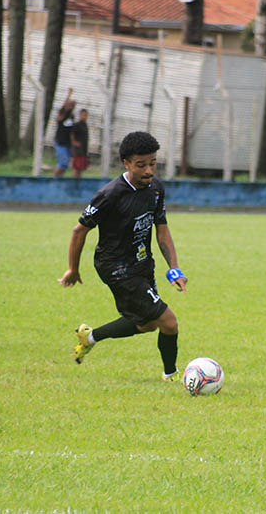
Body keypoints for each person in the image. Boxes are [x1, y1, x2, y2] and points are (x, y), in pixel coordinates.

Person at [58, 131, 188, 381]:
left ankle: (90, 336)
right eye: (141, 165)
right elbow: (79, 231)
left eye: (153, 163)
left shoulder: (156, 189)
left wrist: (174, 268)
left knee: (147, 324)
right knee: (169, 322)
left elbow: (161, 229)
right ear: (126, 163)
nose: (149, 170)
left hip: (142, 262)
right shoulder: (110, 195)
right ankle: (171, 375)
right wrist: (73, 269)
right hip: (116, 267)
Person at [53, 89, 75, 177]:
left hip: (67, 144)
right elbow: (64, 106)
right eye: (70, 105)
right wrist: (69, 94)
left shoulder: (71, 117)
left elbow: (71, 131)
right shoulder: (62, 115)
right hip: (60, 142)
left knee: (65, 165)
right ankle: (55, 179)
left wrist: (72, 144)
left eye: (72, 105)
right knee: (61, 163)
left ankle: (60, 178)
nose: (71, 106)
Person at [70, 108, 90, 178]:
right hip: (78, 150)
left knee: (81, 168)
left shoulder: (85, 125)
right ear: (80, 115)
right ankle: (72, 181)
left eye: (86, 115)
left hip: (83, 150)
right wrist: (74, 143)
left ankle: (78, 181)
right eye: (83, 115)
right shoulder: (77, 124)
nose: (85, 117)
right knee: (76, 167)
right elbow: (72, 134)